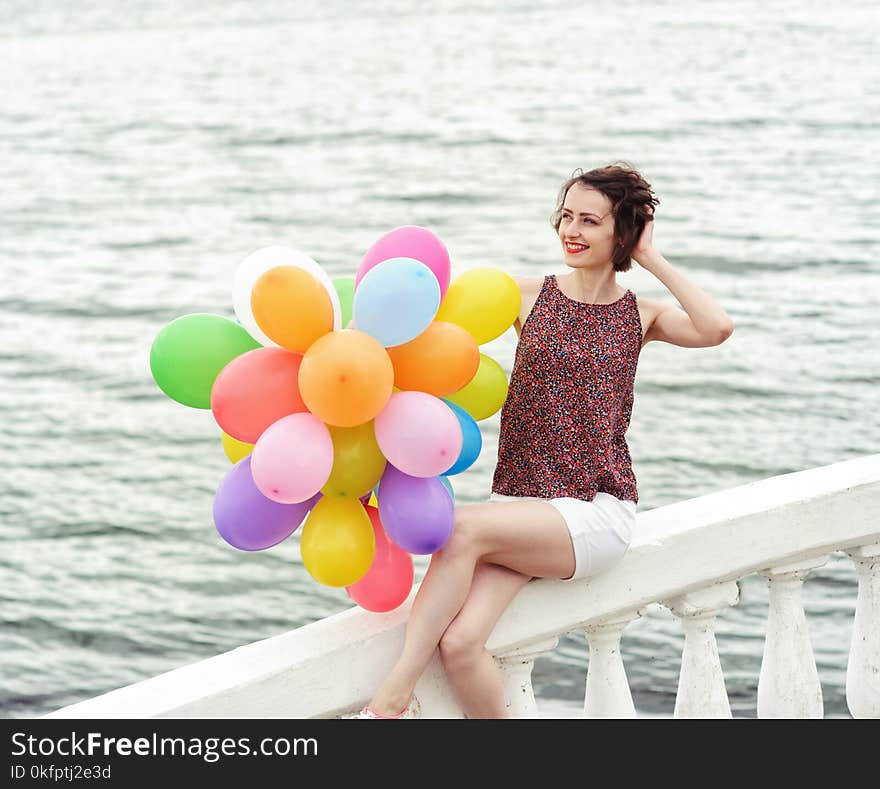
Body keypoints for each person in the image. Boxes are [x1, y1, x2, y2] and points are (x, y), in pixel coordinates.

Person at [357, 163, 734, 719]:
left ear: (621, 232)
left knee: (458, 527)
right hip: (520, 505)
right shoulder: (524, 296)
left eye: (589, 221)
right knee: (460, 646)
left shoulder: (641, 314)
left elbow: (716, 327)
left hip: (593, 513)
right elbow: (430, 333)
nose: (571, 231)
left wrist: (650, 257)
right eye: (565, 216)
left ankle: (393, 696)